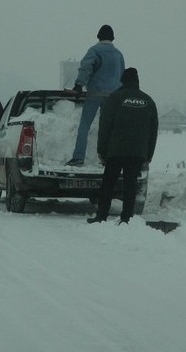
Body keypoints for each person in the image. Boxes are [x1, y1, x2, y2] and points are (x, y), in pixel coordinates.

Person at [87, 67, 158, 224]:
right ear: (137, 81)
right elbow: (153, 131)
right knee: (130, 185)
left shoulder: (115, 98)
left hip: (116, 151)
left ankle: (101, 216)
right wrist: (149, 155)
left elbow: (105, 126)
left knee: (108, 184)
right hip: (137, 153)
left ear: (122, 80)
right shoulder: (148, 101)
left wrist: (102, 150)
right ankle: (126, 218)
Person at [66, 24, 125, 166]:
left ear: (98, 36)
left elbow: (86, 67)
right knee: (107, 128)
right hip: (113, 96)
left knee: (84, 126)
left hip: (95, 94)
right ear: (112, 38)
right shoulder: (118, 55)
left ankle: (78, 157)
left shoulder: (95, 50)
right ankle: (106, 158)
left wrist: (79, 84)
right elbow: (122, 75)